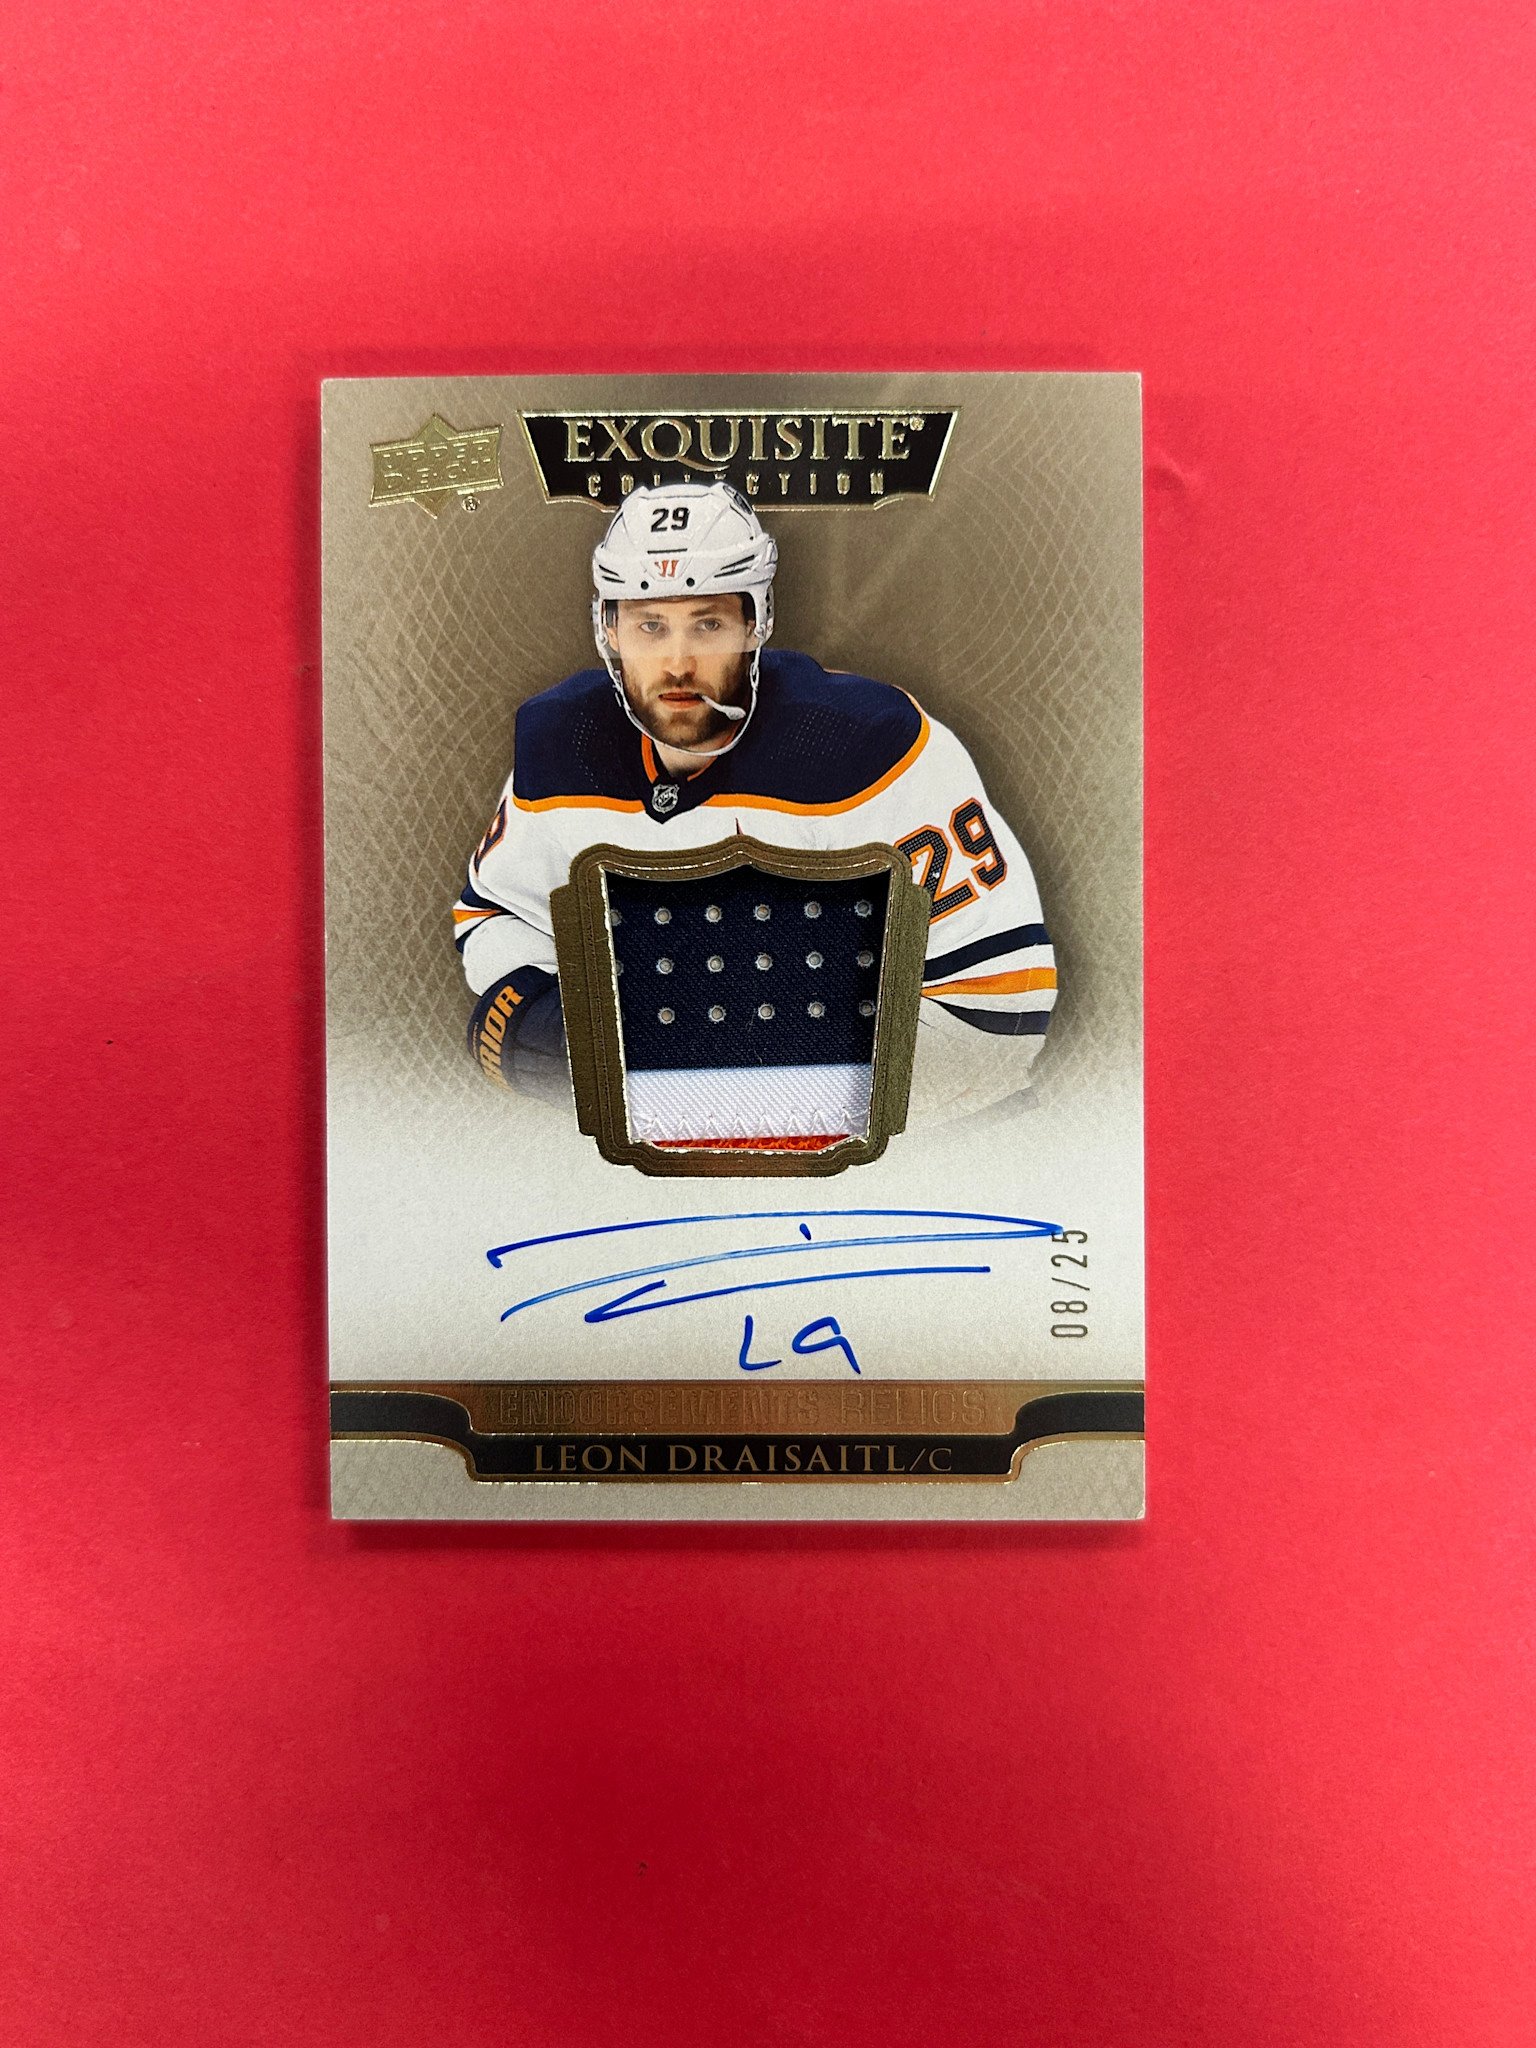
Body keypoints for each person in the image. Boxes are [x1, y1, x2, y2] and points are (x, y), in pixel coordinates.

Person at [455, 482, 1057, 1124]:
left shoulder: (862, 747)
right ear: (610, 630)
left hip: (922, 1130)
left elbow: (1001, 1003)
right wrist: (563, 1026)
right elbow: (491, 915)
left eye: (707, 624)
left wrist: (709, 1072)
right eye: (650, 625)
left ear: (755, 623)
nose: (677, 663)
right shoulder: (561, 745)